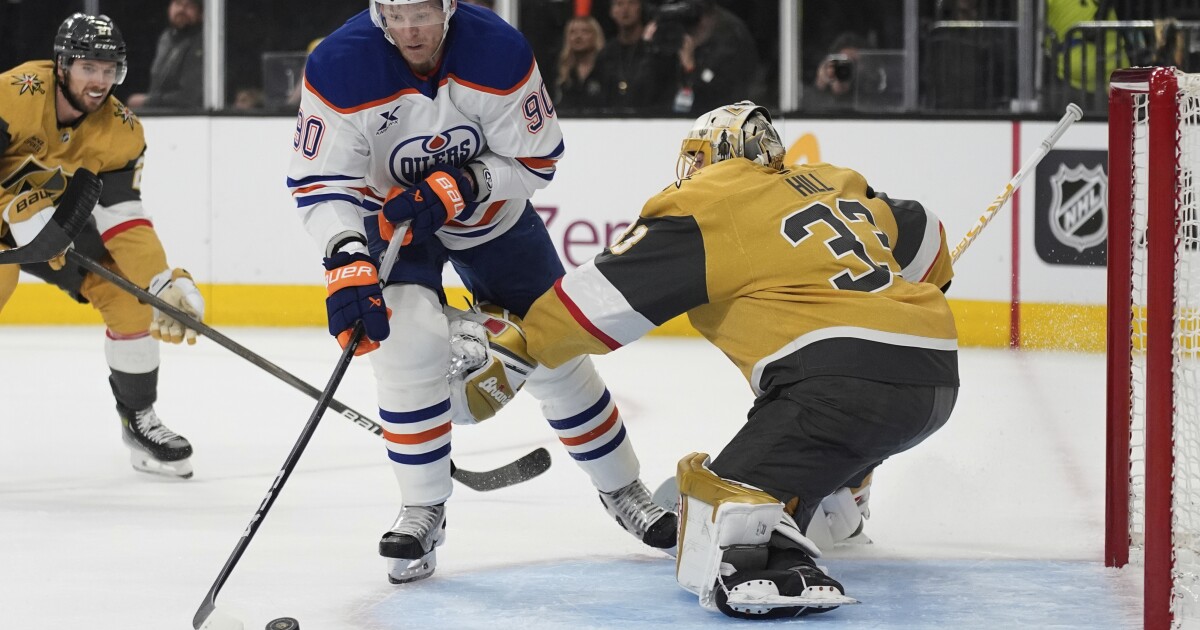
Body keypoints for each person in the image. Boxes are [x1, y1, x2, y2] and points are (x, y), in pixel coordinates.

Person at [449, 101, 960, 618]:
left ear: (723, 154)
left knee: (711, 513)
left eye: (698, 156)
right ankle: (840, 498)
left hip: (840, 385)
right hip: (934, 380)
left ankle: (770, 563)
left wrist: (518, 349)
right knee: (824, 420)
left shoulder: (710, 201)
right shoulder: (835, 182)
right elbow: (932, 241)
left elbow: (596, 302)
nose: (692, 169)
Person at [287, 0, 674, 586]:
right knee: (406, 344)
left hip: (494, 218)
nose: (410, 30)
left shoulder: (497, 50)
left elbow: (538, 161)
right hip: (393, 222)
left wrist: (466, 182)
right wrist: (345, 254)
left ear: (447, 6)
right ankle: (423, 508)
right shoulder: (339, 64)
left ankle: (623, 490)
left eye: (422, 13)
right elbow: (320, 182)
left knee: (556, 349)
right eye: (395, 15)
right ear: (377, 11)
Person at [0, 14, 206, 479]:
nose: (99, 81)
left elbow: (123, 216)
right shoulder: (14, 93)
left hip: (54, 226)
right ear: (62, 66)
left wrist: (160, 282)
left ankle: (139, 420)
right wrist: (14, 215)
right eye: (88, 67)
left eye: (109, 69)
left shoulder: (121, 130)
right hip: (12, 222)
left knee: (129, 299)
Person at [641, 0, 759, 114]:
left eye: (693, 20)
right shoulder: (670, 38)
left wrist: (692, 68)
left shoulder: (730, 38)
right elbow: (643, 95)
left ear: (710, 17)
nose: (690, 27)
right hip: (663, 119)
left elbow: (725, 99)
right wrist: (647, 48)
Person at [126, 0, 204, 110]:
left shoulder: (202, 42)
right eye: (177, 3)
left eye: (190, 5)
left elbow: (189, 97)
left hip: (186, 117)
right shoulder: (166, 38)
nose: (182, 9)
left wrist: (147, 101)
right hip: (160, 115)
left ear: (201, 13)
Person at [592, 0, 662, 112]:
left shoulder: (655, 50)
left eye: (632, 3)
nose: (625, 9)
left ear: (640, 8)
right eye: (619, 4)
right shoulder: (606, 53)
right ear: (612, 12)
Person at [553, 16, 606, 111]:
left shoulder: (607, 67)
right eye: (572, 32)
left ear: (596, 36)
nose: (578, 37)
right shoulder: (562, 71)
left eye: (585, 31)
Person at [806, 32, 868, 111]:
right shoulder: (819, 94)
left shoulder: (871, 89)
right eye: (844, 63)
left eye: (855, 62)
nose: (848, 68)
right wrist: (820, 86)